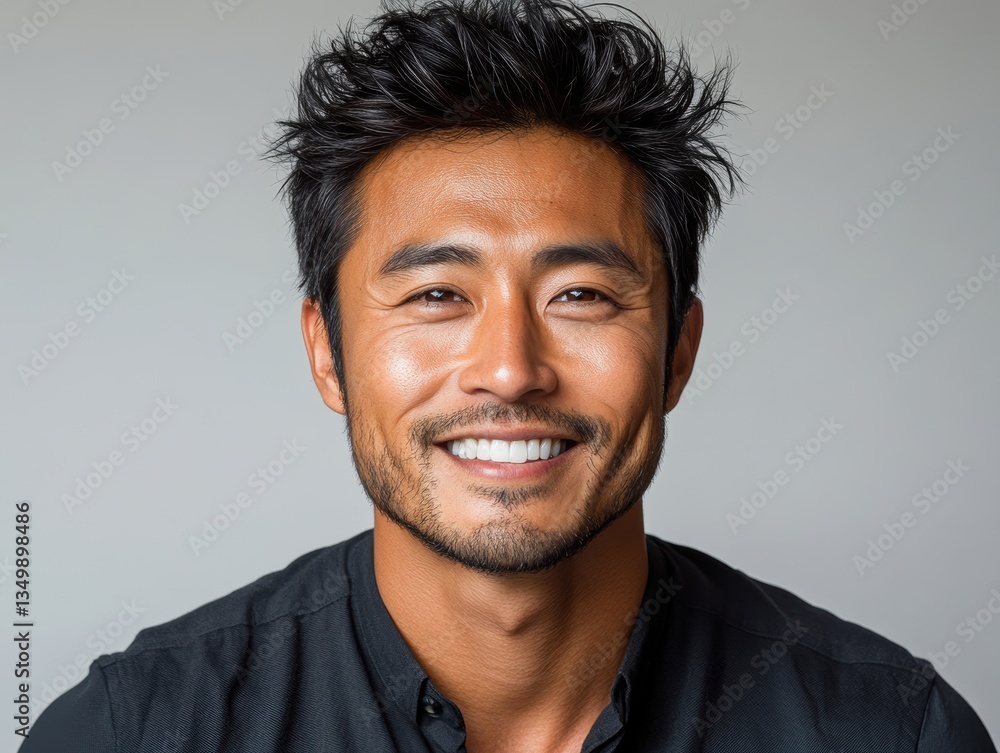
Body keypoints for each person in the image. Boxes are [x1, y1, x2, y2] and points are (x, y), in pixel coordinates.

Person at [23, 0, 995, 750]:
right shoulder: (136, 729)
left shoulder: (885, 731)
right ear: (326, 352)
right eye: (437, 295)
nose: (509, 370)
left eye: (580, 296)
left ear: (678, 354)